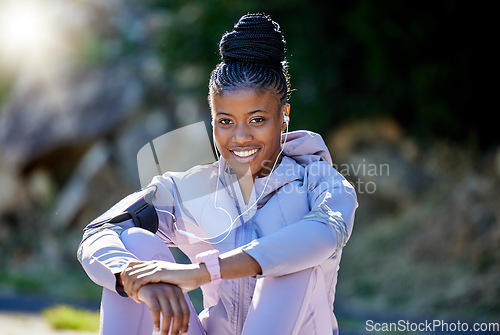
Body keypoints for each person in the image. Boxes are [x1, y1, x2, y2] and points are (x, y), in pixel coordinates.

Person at [78, 13, 357, 335]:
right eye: (225, 121)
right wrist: (135, 279)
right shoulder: (190, 189)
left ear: (283, 117)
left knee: (293, 266)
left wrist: (201, 272)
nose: (240, 137)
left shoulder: (321, 184)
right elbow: (98, 233)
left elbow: (322, 235)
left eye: (257, 120)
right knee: (135, 242)